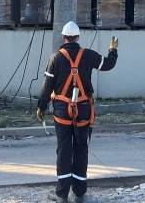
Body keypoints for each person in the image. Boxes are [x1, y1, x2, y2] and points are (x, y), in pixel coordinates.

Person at [37, 21, 119, 203]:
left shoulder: (55, 58)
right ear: (78, 37)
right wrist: (113, 50)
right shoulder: (88, 55)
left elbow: (46, 88)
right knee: (81, 148)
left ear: (63, 38)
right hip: (83, 110)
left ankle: (62, 194)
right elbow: (108, 64)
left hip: (62, 111)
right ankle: (79, 194)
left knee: (63, 150)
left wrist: (41, 107)